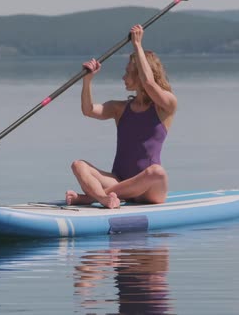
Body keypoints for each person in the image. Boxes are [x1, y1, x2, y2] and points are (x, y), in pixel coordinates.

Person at [65, 24, 177, 209]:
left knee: (157, 172)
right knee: (79, 165)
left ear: (140, 75)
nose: (123, 78)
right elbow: (89, 110)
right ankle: (103, 199)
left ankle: (92, 197)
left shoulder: (165, 106)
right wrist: (87, 80)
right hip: (118, 182)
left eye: (127, 73)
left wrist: (138, 46)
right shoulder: (121, 108)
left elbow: (149, 84)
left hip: (149, 189)